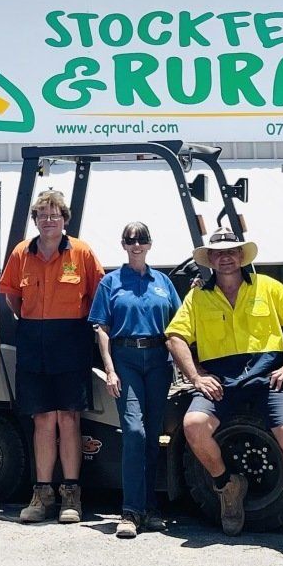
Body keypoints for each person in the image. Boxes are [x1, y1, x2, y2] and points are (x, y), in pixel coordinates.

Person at [165, 225, 283, 565]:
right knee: (194, 425)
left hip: (268, 378)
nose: (225, 258)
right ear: (210, 260)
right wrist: (196, 376)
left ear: (241, 256)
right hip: (221, 381)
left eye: (231, 252)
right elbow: (175, 336)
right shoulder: (198, 297)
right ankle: (228, 486)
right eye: (218, 253)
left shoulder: (267, 287)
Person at [0, 189, 104, 525]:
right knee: (42, 420)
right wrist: (33, 324)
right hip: (33, 341)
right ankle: (42, 494)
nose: (48, 221)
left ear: (64, 220)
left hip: (71, 340)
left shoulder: (82, 252)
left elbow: (97, 294)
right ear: (35, 220)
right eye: (42, 215)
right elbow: (12, 297)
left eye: (54, 215)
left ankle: (71, 495)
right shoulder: (20, 253)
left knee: (68, 419)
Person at [89, 222, 181, 539]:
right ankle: (129, 511)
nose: (136, 244)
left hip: (158, 361)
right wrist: (110, 370)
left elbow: (178, 325)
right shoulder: (110, 282)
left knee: (153, 434)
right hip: (126, 358)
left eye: (141, 239)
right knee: (134, 430)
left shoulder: (163, 283)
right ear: (123, 245)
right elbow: (101, 328)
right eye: (131, 240)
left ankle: (150, 508)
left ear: (150, 244)